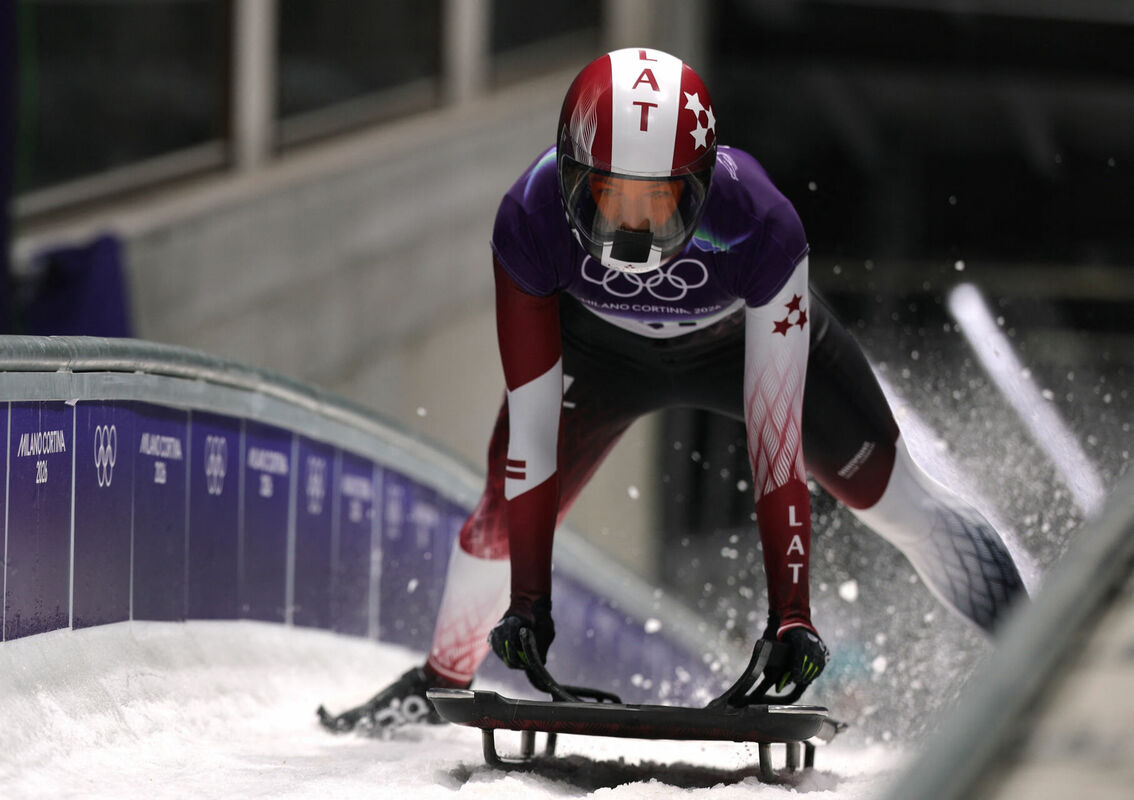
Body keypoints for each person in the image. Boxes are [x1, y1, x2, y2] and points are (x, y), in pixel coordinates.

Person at [335, 48, 1026, 730]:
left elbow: (775, 445)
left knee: (900, 501)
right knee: (496, 518)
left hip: (736, 346)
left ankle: (1033, 651)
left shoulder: (760, 220)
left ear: (699, 185)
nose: (633, 233)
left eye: (659, 203)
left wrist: (792, 614)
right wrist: (527, 599)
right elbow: (532, 425)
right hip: (599, 355)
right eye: (610, 199)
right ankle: (437, 683)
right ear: (570, 179)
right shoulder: (526, 215)